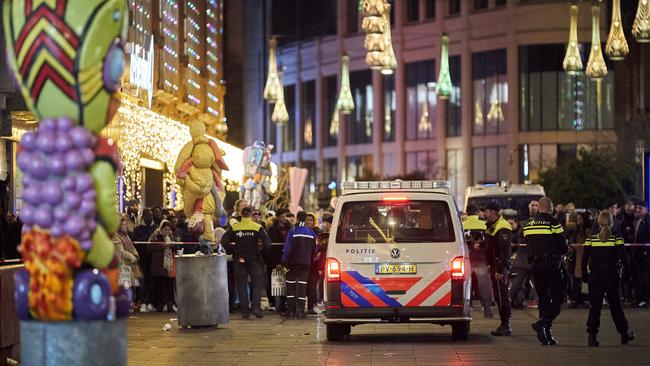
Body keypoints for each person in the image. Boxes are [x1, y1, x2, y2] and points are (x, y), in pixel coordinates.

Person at [582, 211, 635, 347]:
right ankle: (624, 334)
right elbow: (624, 258)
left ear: (598, 222)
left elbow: (584, 259)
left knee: (595, 307)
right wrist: (626, 275)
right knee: (616, 306)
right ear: (611, 222)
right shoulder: (617, 238)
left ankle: (592, 336)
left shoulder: (591, 238)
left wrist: (585, 275)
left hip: (595, 276)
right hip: (611, 276)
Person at [522, 197, 568, 345]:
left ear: (538, 208)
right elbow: (563, 245)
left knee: (543, 299)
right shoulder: (553, 223)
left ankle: (545, 334)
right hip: (551, 265)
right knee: (559, 297)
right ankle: (543, 323)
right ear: (551, 208)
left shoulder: (528, 224)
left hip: (535, 266)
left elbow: (527, 242)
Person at [221, 206, 271, 319]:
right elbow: (267, 243)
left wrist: (232, 250)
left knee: (242, 284)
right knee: (257, 283)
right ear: (251, 214)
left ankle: (245, 311)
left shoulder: (235, 227)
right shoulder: (257, 227)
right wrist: (262, 253)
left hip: (240, 258)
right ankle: (256, 308)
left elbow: (224, 240)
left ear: (241, 214)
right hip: (254, 258)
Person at [482, 202, 513, 336]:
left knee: (502, 296)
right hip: (495, 266)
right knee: (499, 295)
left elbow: (505, 251)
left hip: (499, 268)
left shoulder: (502, 227)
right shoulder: (492, 226)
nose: (484, 213)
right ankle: (504, 324)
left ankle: (505, 325)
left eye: (486, 211)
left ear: (493, 212)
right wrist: (481, 244)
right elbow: (491, 244)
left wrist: (500, 270)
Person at [282, 211, 318, 319]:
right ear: (305, 219)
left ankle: (290, 310)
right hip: (306, 264)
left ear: (297, 219)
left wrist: (284, 261)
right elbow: (315, 250)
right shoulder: (312, 233)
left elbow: (287, 248)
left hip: (292, 263)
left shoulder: (292, 231)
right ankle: (301, 311)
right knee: (302, 287)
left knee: (291, 286)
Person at [462, 205, 492, 318]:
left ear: (467, 213)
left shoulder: (462, 225)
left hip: (466, 259)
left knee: (465, 283)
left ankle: (466, 307)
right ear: (477, 213)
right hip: (481, 258)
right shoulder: (484, 225)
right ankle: (487, 309)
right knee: (484, 284)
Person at [113, 217, 143, 311]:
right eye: (122, 224)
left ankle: (129, 303)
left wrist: (136, 255)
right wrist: (132, 257)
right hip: (122, 264)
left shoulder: (126, 236)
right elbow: (121, 252)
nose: (125, 226)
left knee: (130, 286)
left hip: (130, 264)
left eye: (125, 224)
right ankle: (123, 305)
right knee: (123, 286)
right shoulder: (116, 236)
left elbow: (132, 247)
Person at [266, 208, 292, 312]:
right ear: (278, 217)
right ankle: (275, 303)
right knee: (275, 282)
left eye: (286, 216)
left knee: (285, 282)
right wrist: (276, 262)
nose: (285, 218)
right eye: (282, 216)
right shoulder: (272, 229)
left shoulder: (290, 227)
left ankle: (284, 303)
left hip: (286, 260)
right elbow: (272, 248)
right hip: (275, 260)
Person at [148, 220, 177, 312]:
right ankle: (160, 305)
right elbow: (149, 247)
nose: (167, 231)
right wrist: (163, 246)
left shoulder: (172, 238)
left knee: (169, 287)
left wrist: (172, 245)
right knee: (159, 287)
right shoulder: (156, 237)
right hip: (158, 267)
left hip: (169, 267)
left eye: (169, 229)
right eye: (165, 229)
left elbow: (177, 247)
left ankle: (169, 305)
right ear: (161, 229)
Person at [509, 214, 537, 310]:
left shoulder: (521, 232)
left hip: (520, 262)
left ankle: (509, 300)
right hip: (530, 261)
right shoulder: (532, 233)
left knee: (517, 284)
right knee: (534, 283)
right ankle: (534, 300)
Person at [133, 208, 156, 312]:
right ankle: (142, 302)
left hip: (153, 259)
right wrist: (148, 237)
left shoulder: (156, 228)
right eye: (148, 215)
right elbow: (136, 242)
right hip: (142, 258)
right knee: (142, 281)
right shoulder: (138, 229)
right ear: (143, 217)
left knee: (152, 281)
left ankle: (151, 302)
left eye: (151, 215)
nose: (150, 217)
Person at [632, 201, 649, 307]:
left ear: (646, 209)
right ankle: (638, 298)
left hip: (645, 254)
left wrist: (645, 250)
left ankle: (645, 299)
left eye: (640, 208)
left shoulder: (648, 220)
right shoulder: (637, 220)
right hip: (637, 253)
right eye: (637, 208)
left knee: (645, 277)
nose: (638, 210)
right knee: (637, 278)